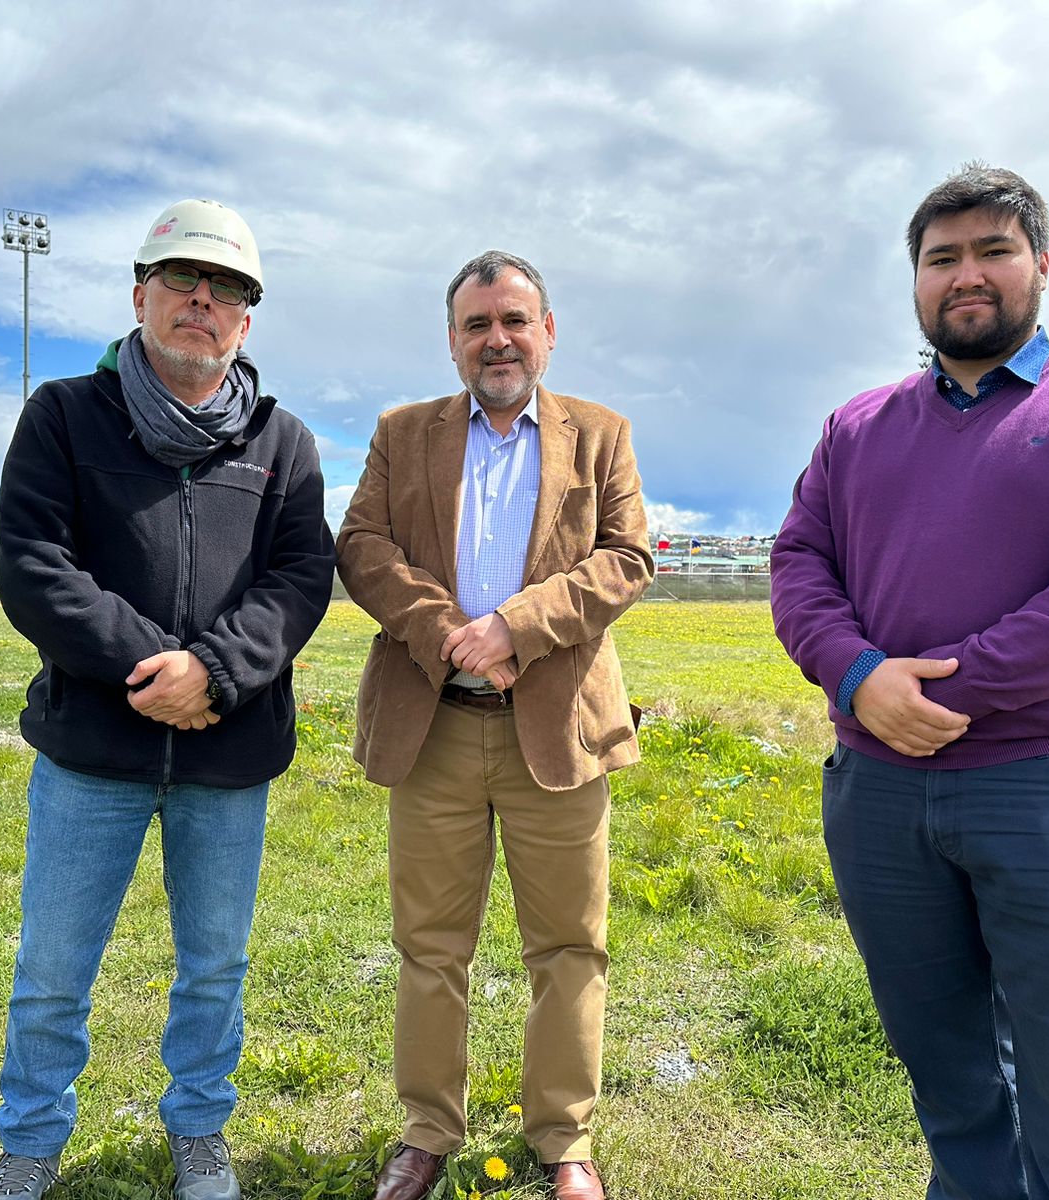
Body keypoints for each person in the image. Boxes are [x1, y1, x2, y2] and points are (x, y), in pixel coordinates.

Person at [770, 164, 1049, 1199]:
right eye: (941, 257)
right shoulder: (856, 428)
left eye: (992, 250)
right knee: (953, 1089)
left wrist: (945, 692)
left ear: (1039, 266)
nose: (967, 274)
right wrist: (860, 676)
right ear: (915, 281)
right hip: (881, 796)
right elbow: (798, 567)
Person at [0, 199, 335, 1200]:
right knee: (53, 968)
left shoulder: (284, 443)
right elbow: (34, 567)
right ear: (139, 293)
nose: (201, 300)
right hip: (90, 754)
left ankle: (198, 1132)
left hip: (229, 758)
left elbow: (300, 579)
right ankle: (30, 1140)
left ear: (246, 322)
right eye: (181, 278)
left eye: (226, 288)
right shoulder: (63, 414)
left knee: (214, 969)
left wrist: (214, 675)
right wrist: (155, 669)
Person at [336, 250, 651, 1200]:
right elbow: (362, 546)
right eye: (477, 325)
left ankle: (565, 1142)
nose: (497, 339)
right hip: (433, 725)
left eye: (515, 320)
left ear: (547, 332)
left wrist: (515, 625)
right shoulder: (404, 433)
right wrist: (454, 636)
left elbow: (625, 560)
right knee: (431, 946)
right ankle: (428, 1130)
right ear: (452, 341)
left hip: (555, 733)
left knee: (568, 946)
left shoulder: (601, 435)